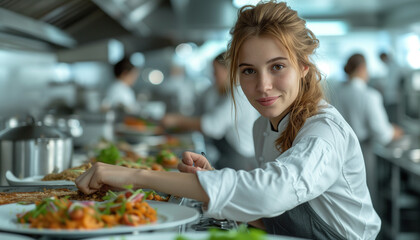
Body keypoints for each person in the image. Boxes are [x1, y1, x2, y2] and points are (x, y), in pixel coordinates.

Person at [76, 2, 380, 239]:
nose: (262, 86)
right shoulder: (265, 124)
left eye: (277, 67)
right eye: (248, 71)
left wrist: (132, 176)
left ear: (303, 67)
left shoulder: (323, 133)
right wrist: (210, 181)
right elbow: (274, 212)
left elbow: (270, 192)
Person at [160, 52, 259, 170]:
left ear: (230, 71)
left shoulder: (240, 94)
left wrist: (176, 121)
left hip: (240, 158)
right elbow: (196, 114)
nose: (213, 76)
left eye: (216, 72)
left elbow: (212, 126)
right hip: (223, 153)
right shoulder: (213, 91)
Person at [331, 53, 404, 205]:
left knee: (345, 196)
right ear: (362, 68)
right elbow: (382, 133)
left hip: (338, 151)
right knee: (364, 195)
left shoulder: (337, 92)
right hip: (363, 151)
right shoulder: (369, 95)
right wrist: (394, 131)